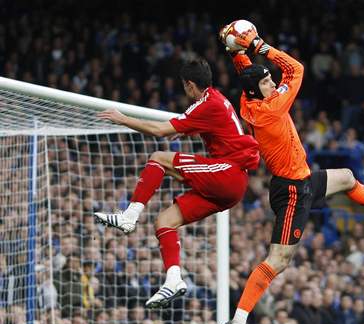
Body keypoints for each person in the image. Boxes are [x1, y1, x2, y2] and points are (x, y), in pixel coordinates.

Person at [219, 24, 364, 324]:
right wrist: (259, 44)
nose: (273, 82)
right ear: (258, 91)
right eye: (267, 81)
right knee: (278, 260)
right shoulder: (271, 108)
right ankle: (238, 320)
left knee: (349, 178)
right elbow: (296, 69)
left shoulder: (248, 99)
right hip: (293, 190)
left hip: (301, 179)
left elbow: (245, 70)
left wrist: (236, 50)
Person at [95, 58, 259, 309]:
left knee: (159, 158)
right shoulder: (217, 99)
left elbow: (162, 131)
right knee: (164, 221)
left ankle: (129, 215)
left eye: (185, 87)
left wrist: (123, 119)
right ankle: (173, 279)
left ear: (190, 85)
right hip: (231, 184)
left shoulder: (207, 103)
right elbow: (175, 129)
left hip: (229, 173)